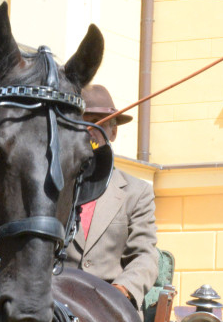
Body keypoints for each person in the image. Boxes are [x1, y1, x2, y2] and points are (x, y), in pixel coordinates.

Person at [64, 85, 158, 308]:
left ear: (113, 132)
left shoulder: (137, 192)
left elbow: (145, 256)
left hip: (111, 310)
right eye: (82, 121)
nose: (89, 130)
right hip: (58, 304)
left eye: (98, 122)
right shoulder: (51, 188)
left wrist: (120, 292)